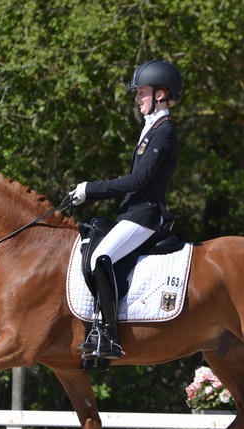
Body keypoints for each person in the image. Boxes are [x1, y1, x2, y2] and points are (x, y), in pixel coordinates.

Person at [69, 59, 182, 360]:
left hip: (145, 215)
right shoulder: (152, 128)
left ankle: (109, 335)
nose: (136, 98)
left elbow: (138, 180)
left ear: (160, 94)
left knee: (100, 257)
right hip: (131, 213)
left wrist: (89, 190)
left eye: (141, 92)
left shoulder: (164, 131)